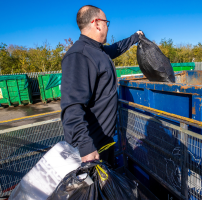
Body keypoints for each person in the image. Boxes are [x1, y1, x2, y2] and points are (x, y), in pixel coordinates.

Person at [60, 5, 143, 167]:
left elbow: (117, 48)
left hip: (105, 139)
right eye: (107, 22)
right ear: (97, 23)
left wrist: (135, 37)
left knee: (109, 185)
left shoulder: (98, 51)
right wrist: (86, 147)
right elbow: (72, 105)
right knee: (96, 190)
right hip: (92, 148)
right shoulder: (79, 55)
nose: (107, 26)